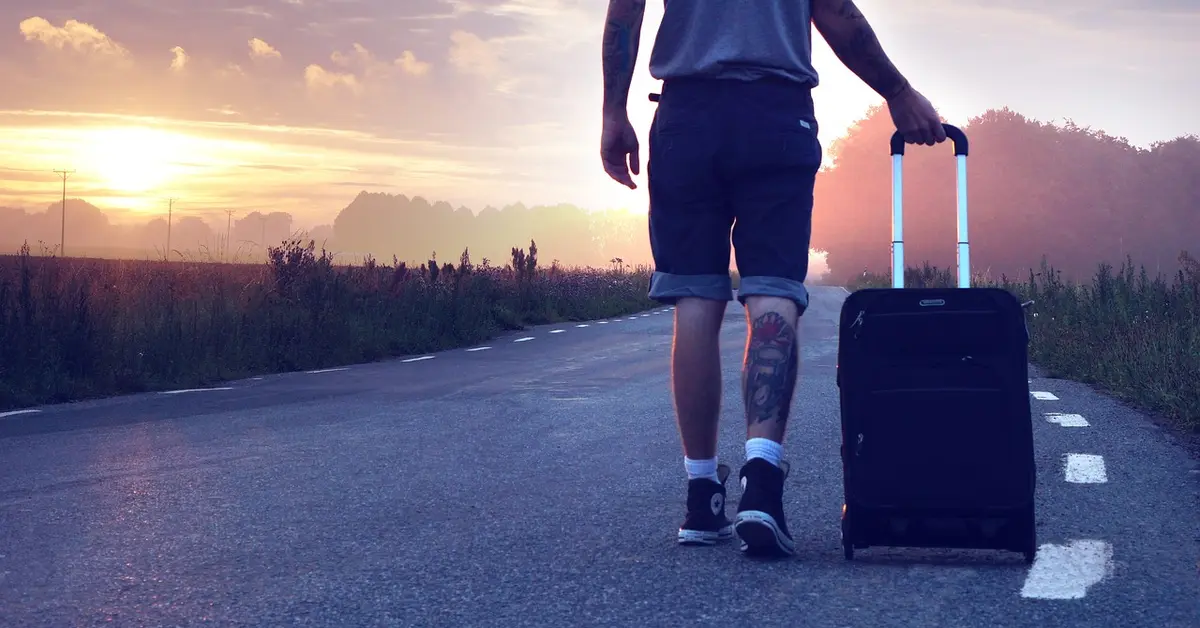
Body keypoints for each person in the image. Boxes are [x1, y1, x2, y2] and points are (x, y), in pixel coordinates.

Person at [599, 0, 947, 558]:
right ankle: (761, 483)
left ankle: (701, 495)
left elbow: (625, 16)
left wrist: (613, 112)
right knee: (773, 292)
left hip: (686, 117)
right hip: (776, 115)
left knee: (694, 300)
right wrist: (898, 92)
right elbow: (835, 14)